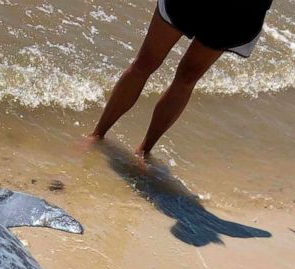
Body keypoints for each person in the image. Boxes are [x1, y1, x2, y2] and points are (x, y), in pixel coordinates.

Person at [91, 2, 274, 159]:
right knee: (145, 62)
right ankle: (97, 135)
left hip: (238, 12)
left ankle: (144, 151)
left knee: (187, 78)